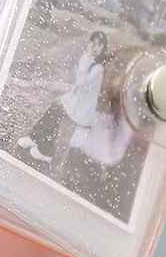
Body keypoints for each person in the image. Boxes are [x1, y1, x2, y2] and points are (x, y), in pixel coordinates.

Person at [16, 31, 108, 165]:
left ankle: (46, 151)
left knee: (57, 110)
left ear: (103, 49)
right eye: (92, 43)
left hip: (84, 109)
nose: (94, 47)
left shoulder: (98, 68)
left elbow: (81, 84)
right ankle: (36, 138)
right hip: (78, 101)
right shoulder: (88, 59)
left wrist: (85, 60)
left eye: (99, 45)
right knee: (56, 106)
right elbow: (78, 86)